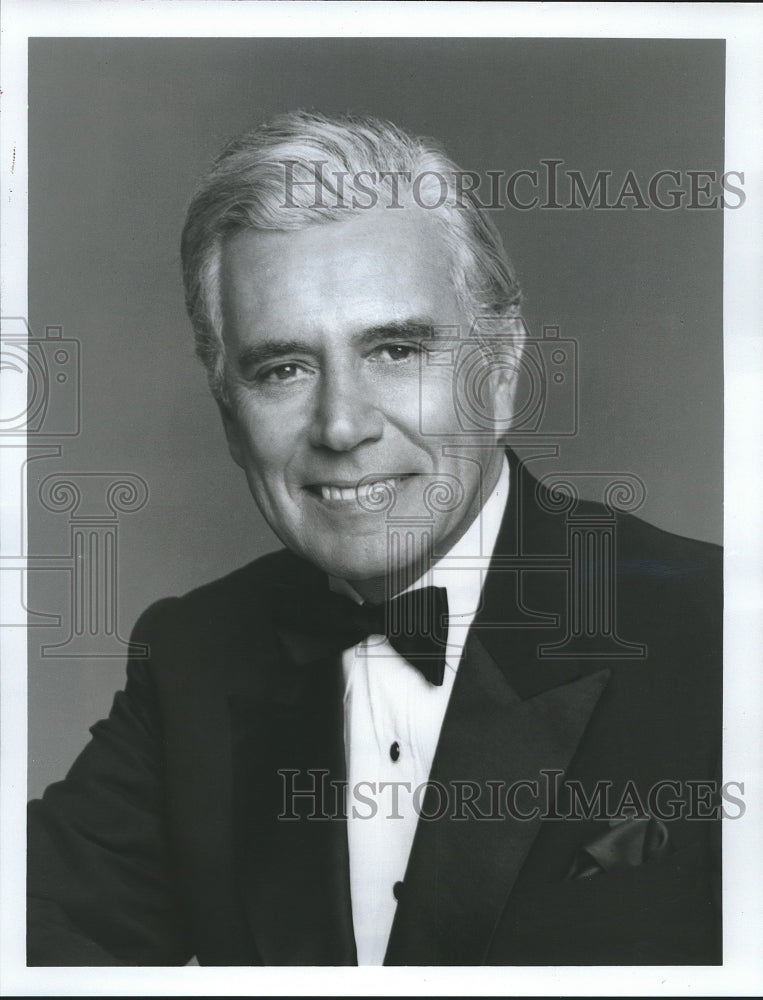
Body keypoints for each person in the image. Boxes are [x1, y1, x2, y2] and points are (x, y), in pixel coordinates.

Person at [27, 110, 722, 966]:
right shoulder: (192, 661)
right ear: (230, 416)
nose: (342, 424)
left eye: (394, 349)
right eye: (283, 368)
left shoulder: (723, 636)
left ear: (499, 371)